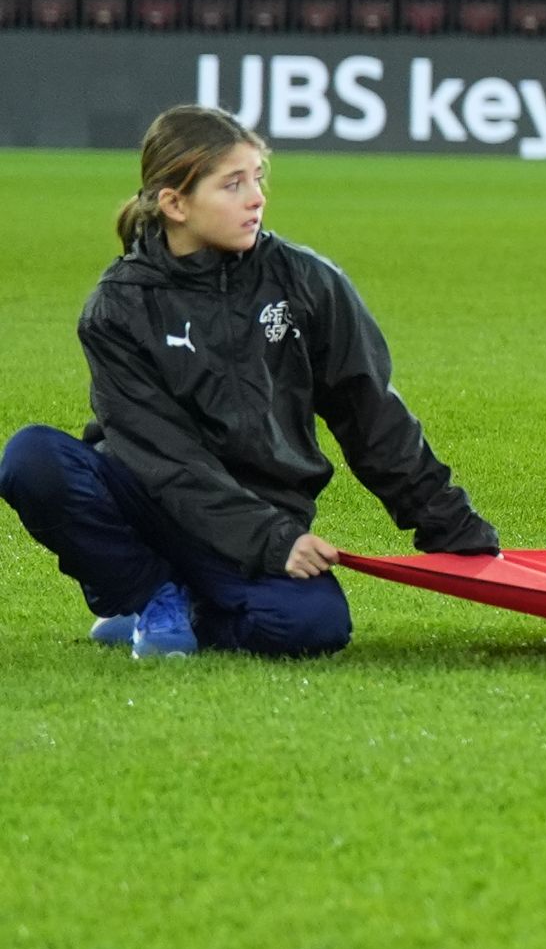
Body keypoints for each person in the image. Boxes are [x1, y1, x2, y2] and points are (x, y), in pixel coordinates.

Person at [5, 107, 498, 659]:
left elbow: (372, 417)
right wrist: (273, 541)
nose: (256, 197)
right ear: (175, 204)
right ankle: (147, 594)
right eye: (233, 184)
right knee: (34, 460)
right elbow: (164, 458)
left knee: (314, 628)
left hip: (256, 518)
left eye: (258, 178)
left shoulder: (307, 282)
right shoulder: (120, 307)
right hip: (151, 504)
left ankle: (193, 610)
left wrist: (454, 531)